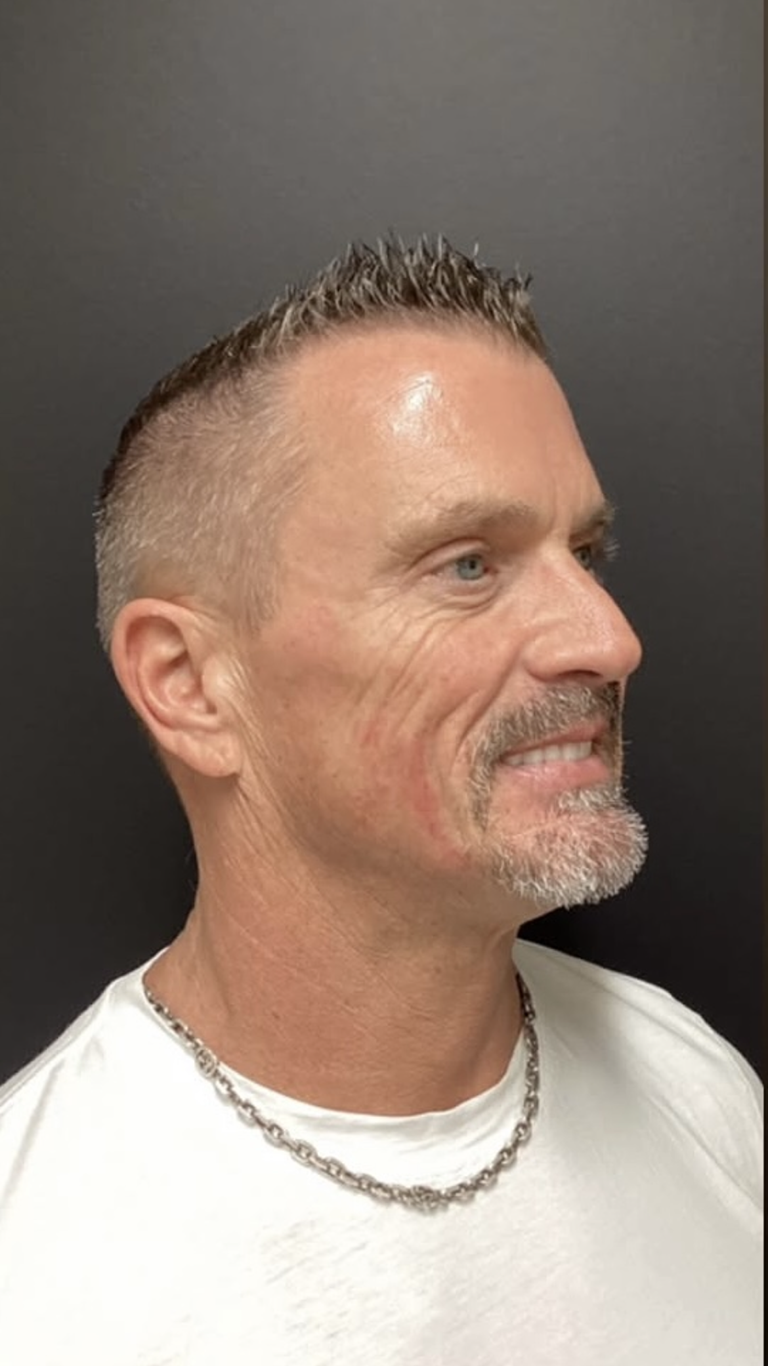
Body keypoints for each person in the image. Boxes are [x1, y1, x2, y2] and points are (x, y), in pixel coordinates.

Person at [0, 237, 761, 1365]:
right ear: (191, 684)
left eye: (587, 552)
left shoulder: (698, 1084)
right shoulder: (34, 1256)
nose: (610, 639)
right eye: (468, 564)